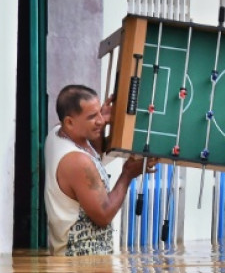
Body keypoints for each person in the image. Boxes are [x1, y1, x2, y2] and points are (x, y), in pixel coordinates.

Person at [44, 84, 155, 256]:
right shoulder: (77, 162)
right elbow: (103, 216)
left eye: (99, 113)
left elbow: (95, 156)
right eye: (92, 116)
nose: (101, 120)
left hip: (82, 260)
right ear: (69, 122)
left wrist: (99, 125)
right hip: (81, 263)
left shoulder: (57, 133)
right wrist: (127, 174)